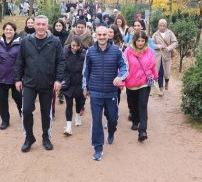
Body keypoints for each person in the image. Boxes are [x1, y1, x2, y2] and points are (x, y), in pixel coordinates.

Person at [15, 15, 65, 152]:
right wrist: (18, 79)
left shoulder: (54, 42)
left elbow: (61, 61)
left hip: (47, 83)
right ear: (34, 26)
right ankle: (29, 137)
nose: (41, 27)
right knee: (25, 111)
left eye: (44, 24)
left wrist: (58, 79)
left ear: (47, 26)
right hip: (30, 82)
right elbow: (20, 61)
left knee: (45, 112)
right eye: (38, 24)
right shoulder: (26, 41)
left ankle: (45, 137)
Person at [83, 26, 128, 161]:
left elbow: (125, 67)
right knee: (96, 121)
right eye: (99, 35)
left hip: (111, 92)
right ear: (95, 36)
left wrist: (120, 77)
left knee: (113, 119)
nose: (102, 37)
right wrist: (85, 87)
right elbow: (86, 71)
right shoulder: (90, 52)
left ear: (108, 36)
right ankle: (98, 148)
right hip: (95, 91)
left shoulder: (116, 51)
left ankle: (111, 132)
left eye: (104, 34)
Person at [0, 22, 22, 130]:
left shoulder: (21, 43)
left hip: (16, 78)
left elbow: (25, 60)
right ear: (3, 31)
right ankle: (5, 121)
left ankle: (23, 113)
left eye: (10, 29)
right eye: (6, 29)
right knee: (3, 100)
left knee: (18, 98)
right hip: (1, 77)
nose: (8, 31)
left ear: (14, 31)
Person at [124, 30, 158, 141]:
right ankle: (135, 120)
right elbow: (123, 66)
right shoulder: (128, 51)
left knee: (143, 104)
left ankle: (142, 131)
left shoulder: (149, 52)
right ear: (134, 40)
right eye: (138, 40)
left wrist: (155, 76)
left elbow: (153, 66)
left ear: (145, 41)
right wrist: (122, 80)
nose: (140, 43)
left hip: (144, 82)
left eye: (142, 41)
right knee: (133, 104)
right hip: (131, 83)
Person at [62, 36, 86, 136]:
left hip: (79, 82)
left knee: (80, 102)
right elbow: (61, 67)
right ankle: (68, 126)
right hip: (68, 82)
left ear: (80, 45)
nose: (74, 48)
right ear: (70, 44)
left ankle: (77, 115)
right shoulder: (64, 53)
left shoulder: (84, 54)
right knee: (69, 104)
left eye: (77, 46)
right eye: (73, 45)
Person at [152, 19, 178, 96]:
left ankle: (167, 81)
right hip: (158, 56)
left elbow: (175, 42)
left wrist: (168, 48)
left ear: (166, 26)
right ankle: (161, 89)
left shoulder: (170, 33)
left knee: (167, 73)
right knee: (160, 72)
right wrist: (158, 46)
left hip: (167, 56)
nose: (162, 27)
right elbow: (151, 44)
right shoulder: (155, 34)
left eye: (163, 26)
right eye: (160, 25)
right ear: (158, 25)